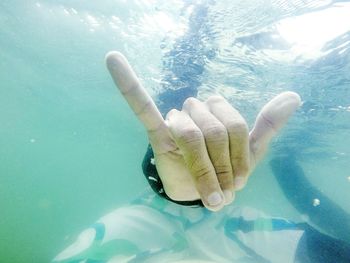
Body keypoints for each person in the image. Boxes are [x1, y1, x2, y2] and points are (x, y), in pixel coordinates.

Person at [53, 52, 350, 263]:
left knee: (178, 94)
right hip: (226, 218)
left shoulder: (120, 237)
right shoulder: (249, 235)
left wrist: (167, 187)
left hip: (166, 203)